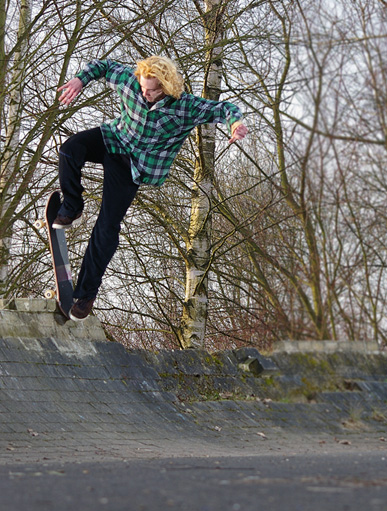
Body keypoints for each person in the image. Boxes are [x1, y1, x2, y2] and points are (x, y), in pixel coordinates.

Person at [55, 56, 248, 321]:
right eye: (144, 88)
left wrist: (235, 124)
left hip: (133, 166)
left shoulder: (184, 107)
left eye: (152, 90)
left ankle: (86, 294)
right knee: (69, 150)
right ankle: (73, 206)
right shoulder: (131, 82)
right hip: (114, 140)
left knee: (107, 225)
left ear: (166, 87)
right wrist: (80, 79)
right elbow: (105, 66)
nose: (145, 94)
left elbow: (223, 109)